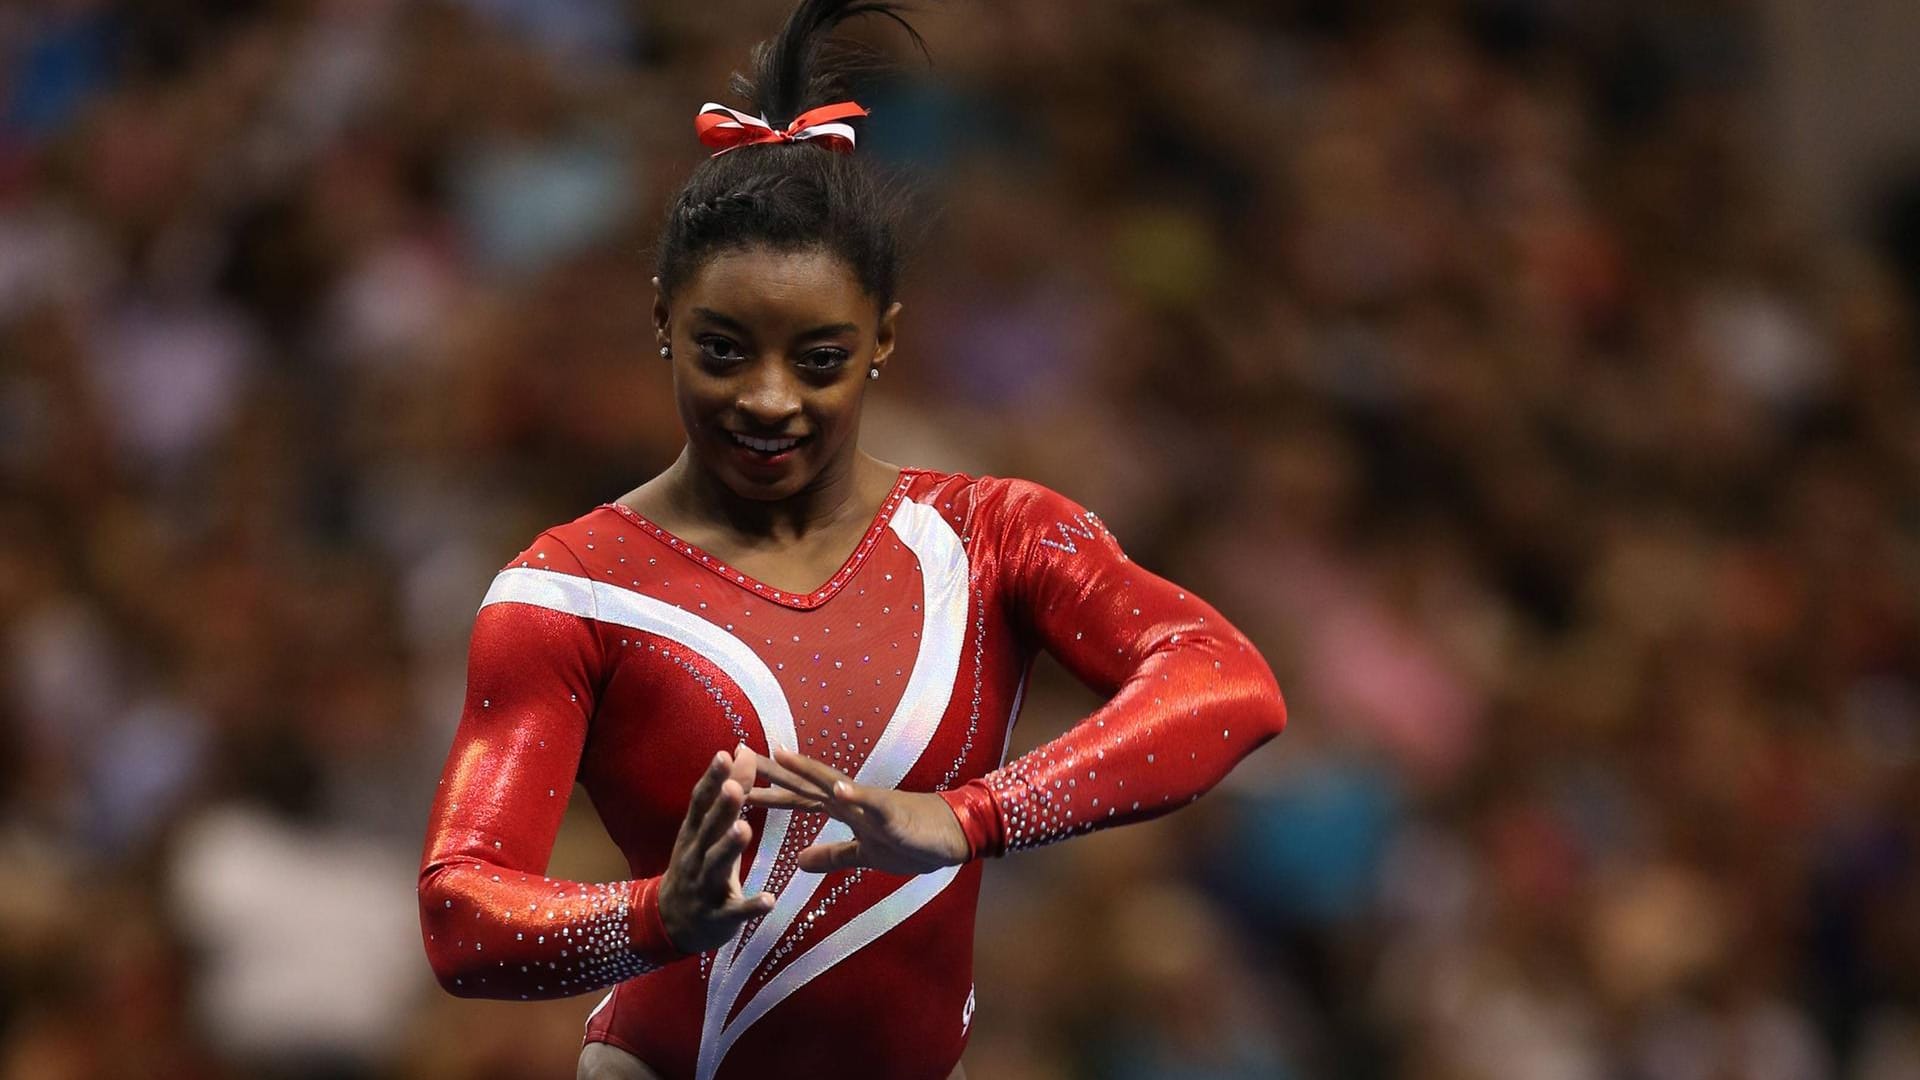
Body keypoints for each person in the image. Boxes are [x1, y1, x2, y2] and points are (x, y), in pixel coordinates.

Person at [415, 2, 1288, 1077]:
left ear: (883, 336)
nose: (769, 400)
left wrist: (976, 817)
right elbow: (461, 914)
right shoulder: (569, 591)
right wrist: (653, 917)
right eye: (724, 351)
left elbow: (1229, 684)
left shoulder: (990, 537)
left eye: (818, 358)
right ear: (662, 324)